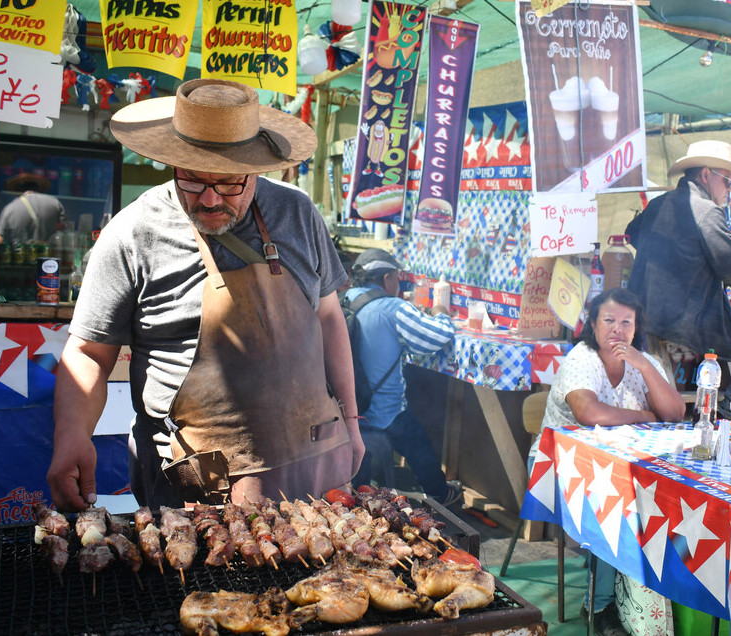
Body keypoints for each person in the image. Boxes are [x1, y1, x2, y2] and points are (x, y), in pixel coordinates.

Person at [46, 79, 364, 511]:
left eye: (230, 183)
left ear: (256, 169)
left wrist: (350, 419)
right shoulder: (132, 233)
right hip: (196, 480)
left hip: (313, 467)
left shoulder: (297, 213)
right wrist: (72, 436)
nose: (210, 198)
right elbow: (87, 353)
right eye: (192, 180)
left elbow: (328, 317)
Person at [533, 288, 684, 635]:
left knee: (659, 500)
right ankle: (600, 606)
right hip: (556, 466)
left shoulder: (642, 362)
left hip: (621, 468)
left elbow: (675, 412)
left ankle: (648, 599)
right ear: (594, 324)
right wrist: (644, 414)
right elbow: (589, 412)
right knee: (615, 505)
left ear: (636, 328)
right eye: (610, 320)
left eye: (627, 322)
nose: (618, 329)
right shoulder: (582, 358)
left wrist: (644, 365)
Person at [626, 140, 731, 420]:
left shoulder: (656, 205)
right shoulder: (708, 211)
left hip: (647, 320)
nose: (729, 191)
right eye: (727, 181)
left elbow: (632, 234)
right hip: (692, 325)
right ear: (705, 175)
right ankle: (729, 409)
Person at [345, 248, 462, 506]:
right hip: (381, 413)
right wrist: (441, 312)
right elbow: (437, 336)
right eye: (397, 278)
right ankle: (440, 494)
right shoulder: (391, 307)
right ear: (387, 278)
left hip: (347, 411)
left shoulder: (345, 300)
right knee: (418, 441)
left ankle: (357, 498)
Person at [0, 172, 66, 245]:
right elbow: (65, 231)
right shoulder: (55, 203)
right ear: (39, 188)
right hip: (50, 253)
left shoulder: (9, 208)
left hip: (20, 254)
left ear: (17, 190)